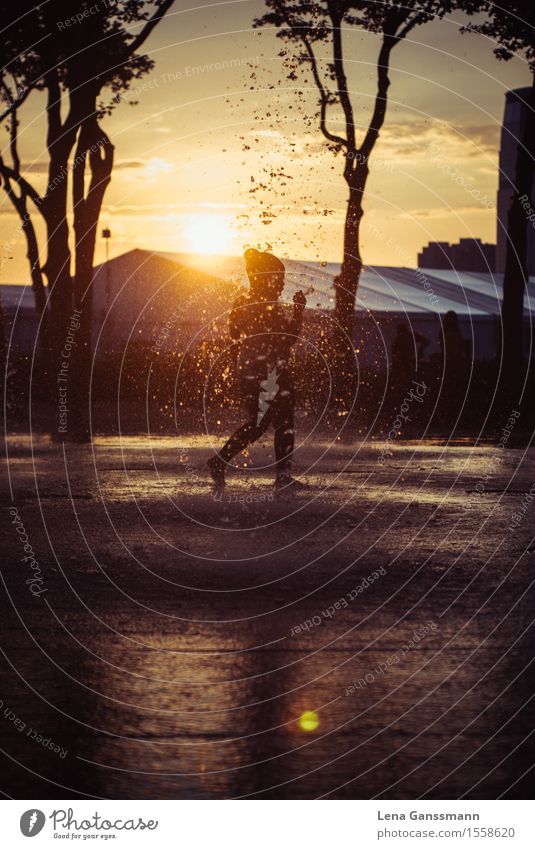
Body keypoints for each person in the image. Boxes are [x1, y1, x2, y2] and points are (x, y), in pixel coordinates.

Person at [207, 248, 306, 492]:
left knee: (260, 424)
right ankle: (280, 477)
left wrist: (238, 369)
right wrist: (299, 311)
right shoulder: (265, 305)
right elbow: (287, 339)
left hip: (251, 369)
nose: (282, 284)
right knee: (279, 422)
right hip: (269, 372)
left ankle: (220, 462)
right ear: (264, 277)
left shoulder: (242, 302)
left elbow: (234, 340)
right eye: (278, 278)